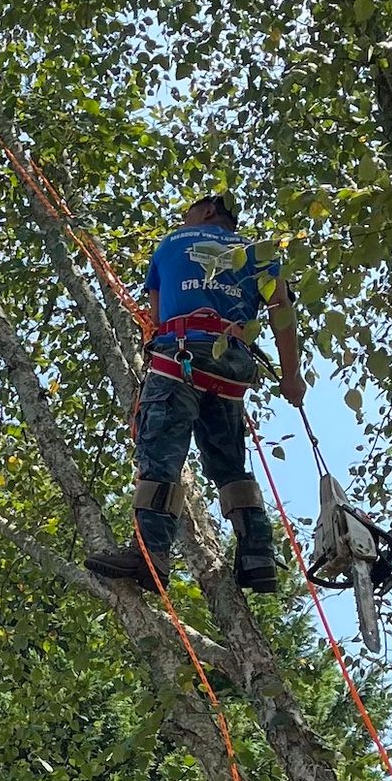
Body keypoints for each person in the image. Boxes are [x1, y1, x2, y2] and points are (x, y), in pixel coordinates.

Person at [86, 191, 304, 595]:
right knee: (230, 465)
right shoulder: (259, 252)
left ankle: (150, 555)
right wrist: (291, 377)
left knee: (160, 454)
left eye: (189, 212)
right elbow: (281, 311)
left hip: (180, 356)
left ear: (207, 211)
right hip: (231, 366)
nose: (184, 218)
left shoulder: (172, 243)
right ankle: (258, 560)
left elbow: (155, 319)